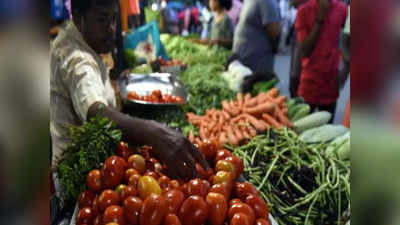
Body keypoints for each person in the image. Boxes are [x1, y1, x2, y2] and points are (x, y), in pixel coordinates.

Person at [50, 0, 209, 190]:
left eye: (114, 19)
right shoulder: (76, 57)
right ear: (77, 17)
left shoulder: (78, 39)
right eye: (102, 20)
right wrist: (152, 131)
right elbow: (95, 109)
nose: (111, 28)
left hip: (98, 165)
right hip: (79, 176)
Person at [294, 0, 347, 121]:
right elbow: (304, 50)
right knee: (303, 132)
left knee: (327, 134)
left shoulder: (341, 9)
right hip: (309, 85)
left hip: (331, 85)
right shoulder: (304, 11)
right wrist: (319, 19)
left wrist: (346, 68)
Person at [232, 0, 281, 75]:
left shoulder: (266, 2)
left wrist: (274, 49)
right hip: (243, 63)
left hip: (257, 65)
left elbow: (274, 30)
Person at [288, 0, 308, 98]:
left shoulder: (304, 12)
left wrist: (294, 78)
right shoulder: (301, 12)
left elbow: (301, 50)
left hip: (305, 81)